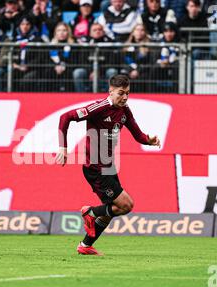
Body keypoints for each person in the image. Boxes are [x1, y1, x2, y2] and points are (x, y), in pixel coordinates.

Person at [56, 74, 161, 255]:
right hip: (95, 168)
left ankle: (85, 245)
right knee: (126, 205)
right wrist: (63, 148)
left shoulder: (124, 111)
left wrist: (148, 140)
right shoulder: (98, 108)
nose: (125, 97)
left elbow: (138, 134)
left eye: (128, 93)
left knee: (111, 210)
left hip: (109, 167)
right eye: (121, 93)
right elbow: (65, 117)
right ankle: (89, 212)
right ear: (111, 91)